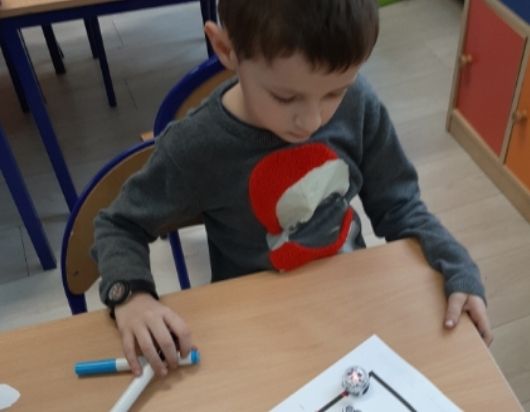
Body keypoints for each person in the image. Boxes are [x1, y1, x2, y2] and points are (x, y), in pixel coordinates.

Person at [92, 0, 493, 378]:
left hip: (354, 308)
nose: (312, 121)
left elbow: (401, 206)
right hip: (258, 332)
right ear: (226, 49)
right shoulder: (196, 146)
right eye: (285, 97)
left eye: (335, 92)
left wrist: (456, 265)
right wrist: (132, 297)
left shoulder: (359, 104)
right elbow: (118, 225)